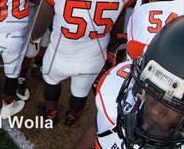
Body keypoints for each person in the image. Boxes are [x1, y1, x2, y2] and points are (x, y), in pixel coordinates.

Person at [31, 0, 136, 126]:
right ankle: (72, 116)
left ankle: (51, 111)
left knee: (51, 81)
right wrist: (112, 48)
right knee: (81, 90)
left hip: (60, 51)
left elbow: (41, 24)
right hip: (94, 54)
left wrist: (35, 39)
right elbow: (118, 26)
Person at [76, 16, 184, 149]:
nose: (155, 111)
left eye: (173, 103)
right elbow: (98, 129)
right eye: (152, 89)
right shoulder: (112, 100)